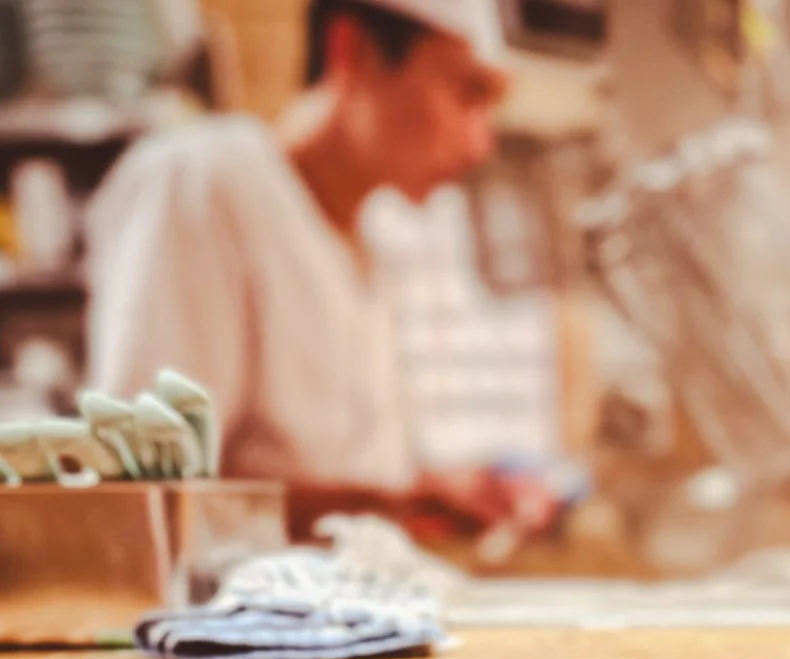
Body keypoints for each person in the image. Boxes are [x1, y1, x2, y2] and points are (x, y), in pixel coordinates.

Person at [87, 0, 550, 542]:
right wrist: (382, 505)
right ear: (350, 48)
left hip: (349, 616)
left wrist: (428, 495)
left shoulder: (379, 237)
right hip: (227, 622)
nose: (479, 145)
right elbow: (142, 490)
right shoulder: (204, 181)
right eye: (466, 92)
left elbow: (340, 471)